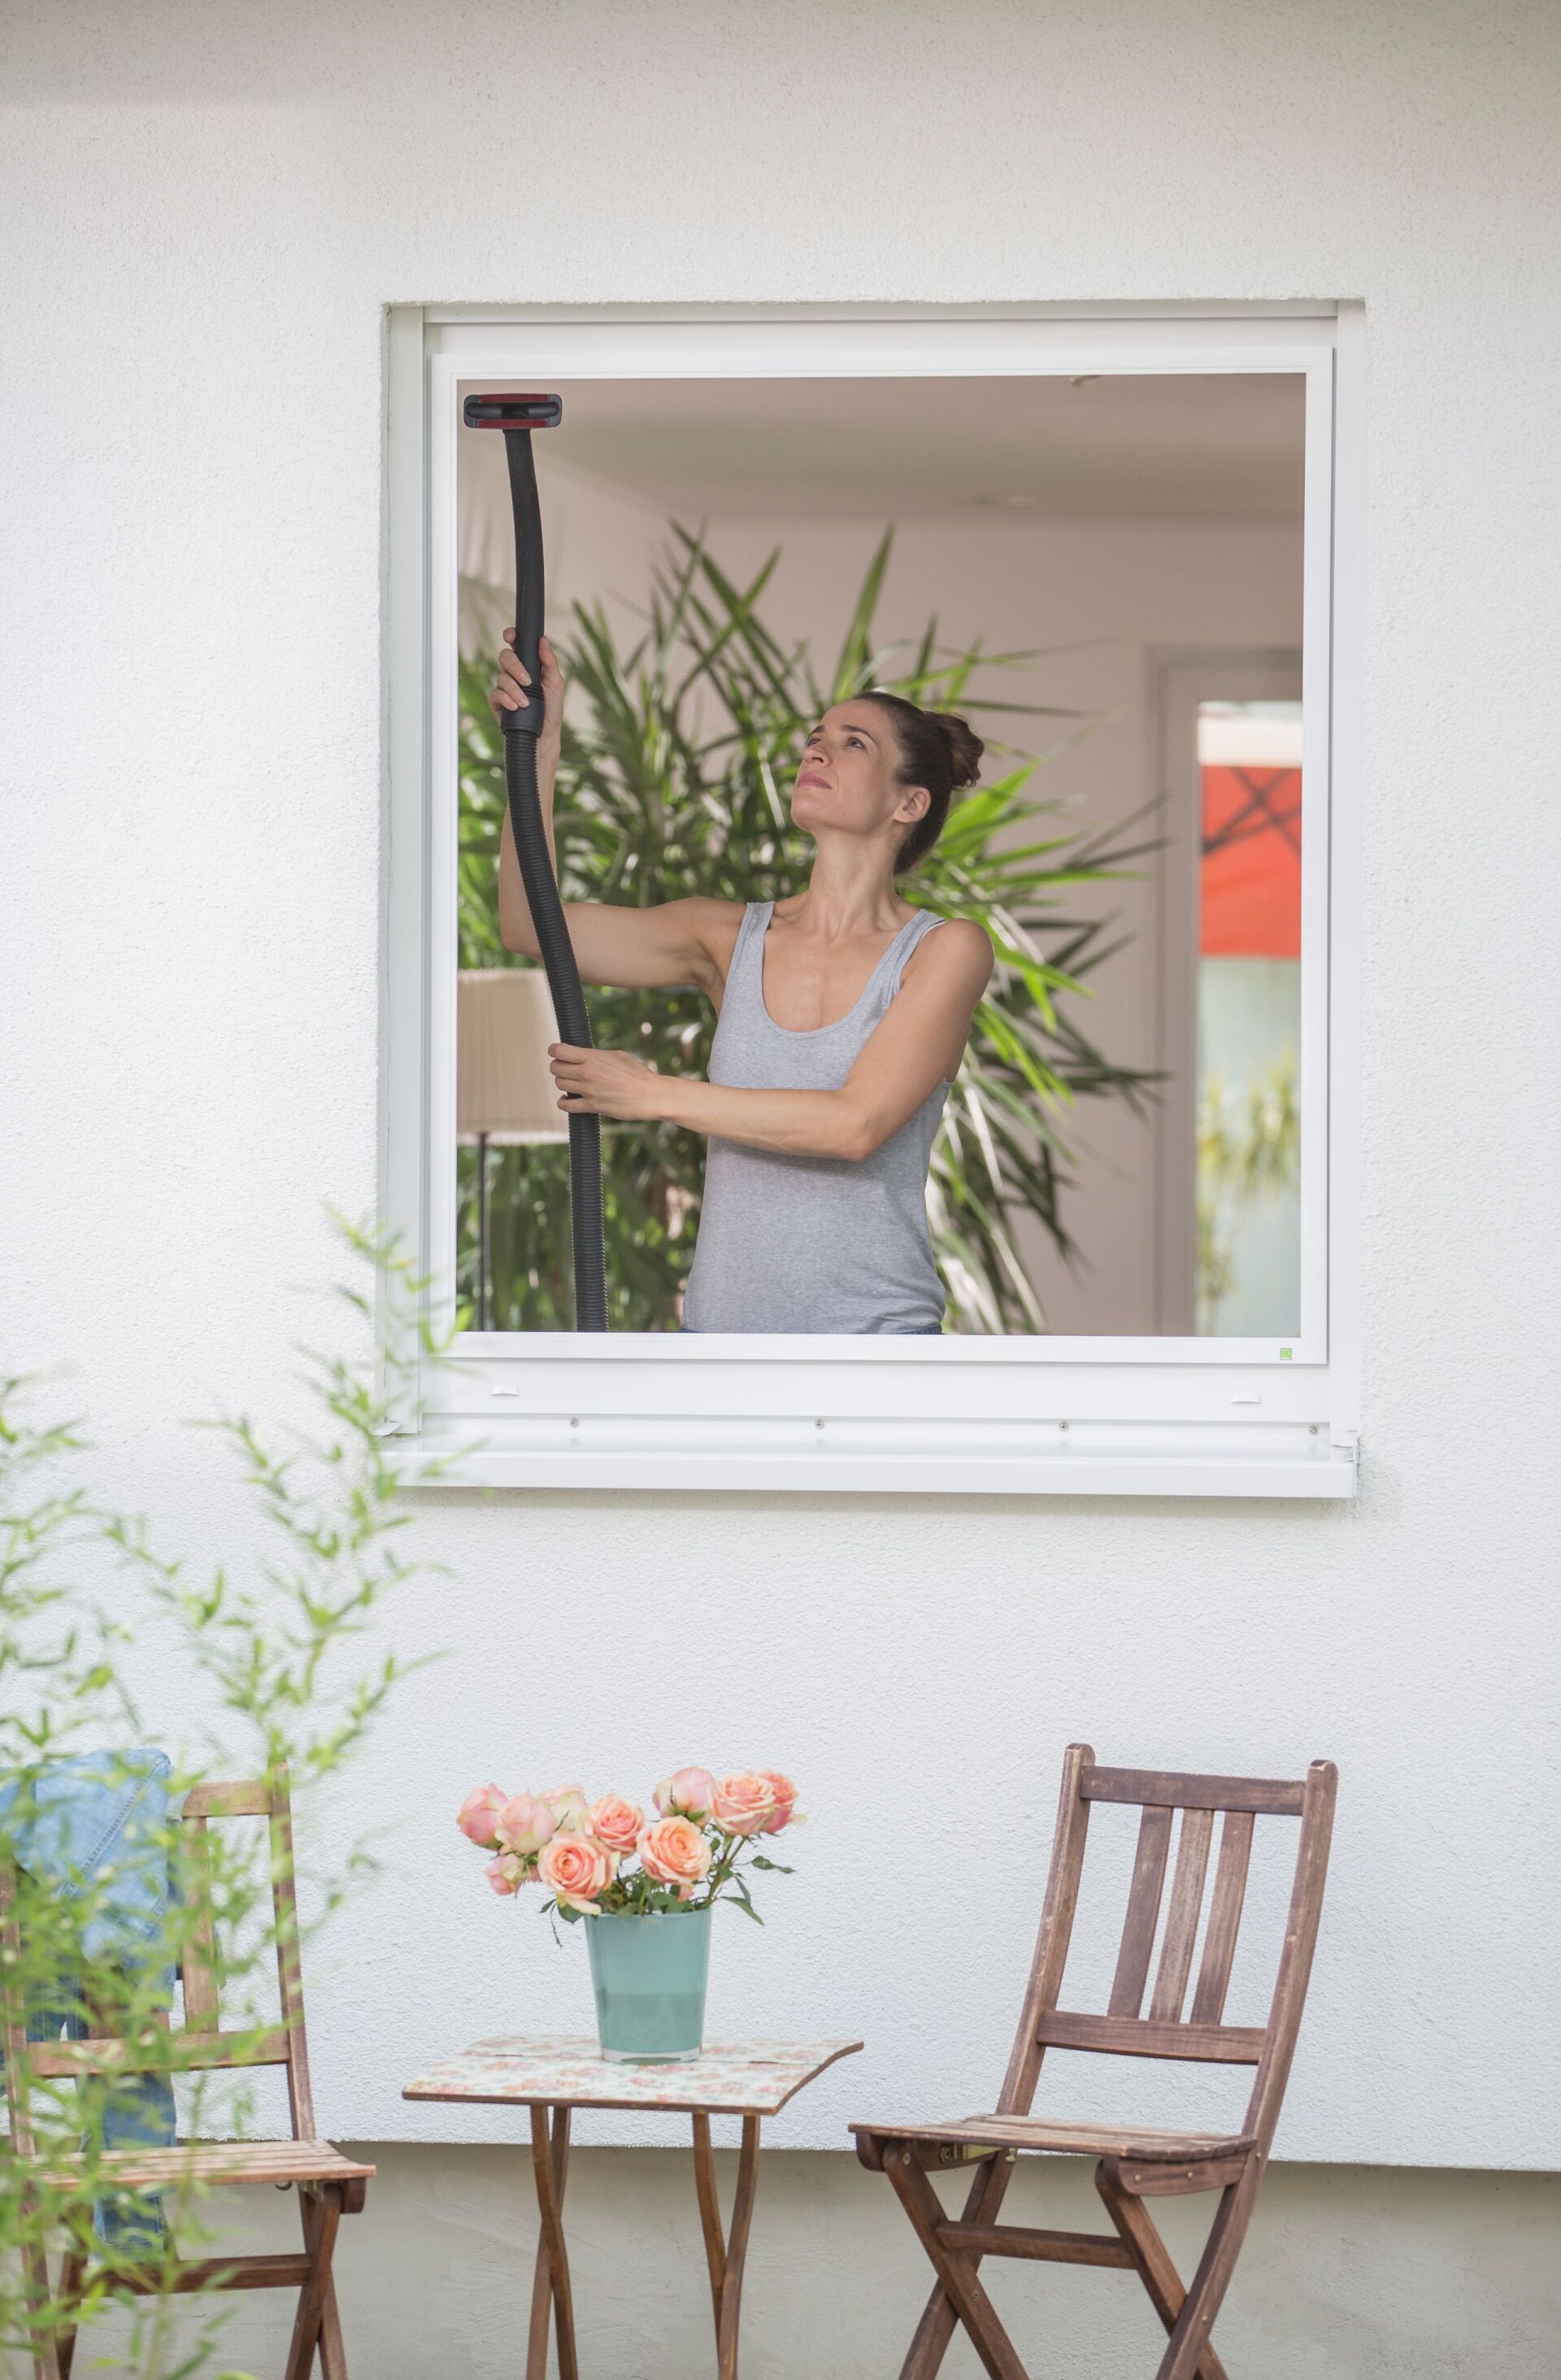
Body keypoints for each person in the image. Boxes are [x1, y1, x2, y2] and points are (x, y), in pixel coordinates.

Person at [494, 630, 994, 1334]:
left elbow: (855, 1124)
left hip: (875, 1345)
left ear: (908, 804)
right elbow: (528, 923)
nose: (815, 751)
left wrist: (650, 1093)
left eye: (854, 744)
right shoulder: (726, 938)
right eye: (815, 739)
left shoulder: (943, 951)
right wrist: (538, 747)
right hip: (720, 1344)